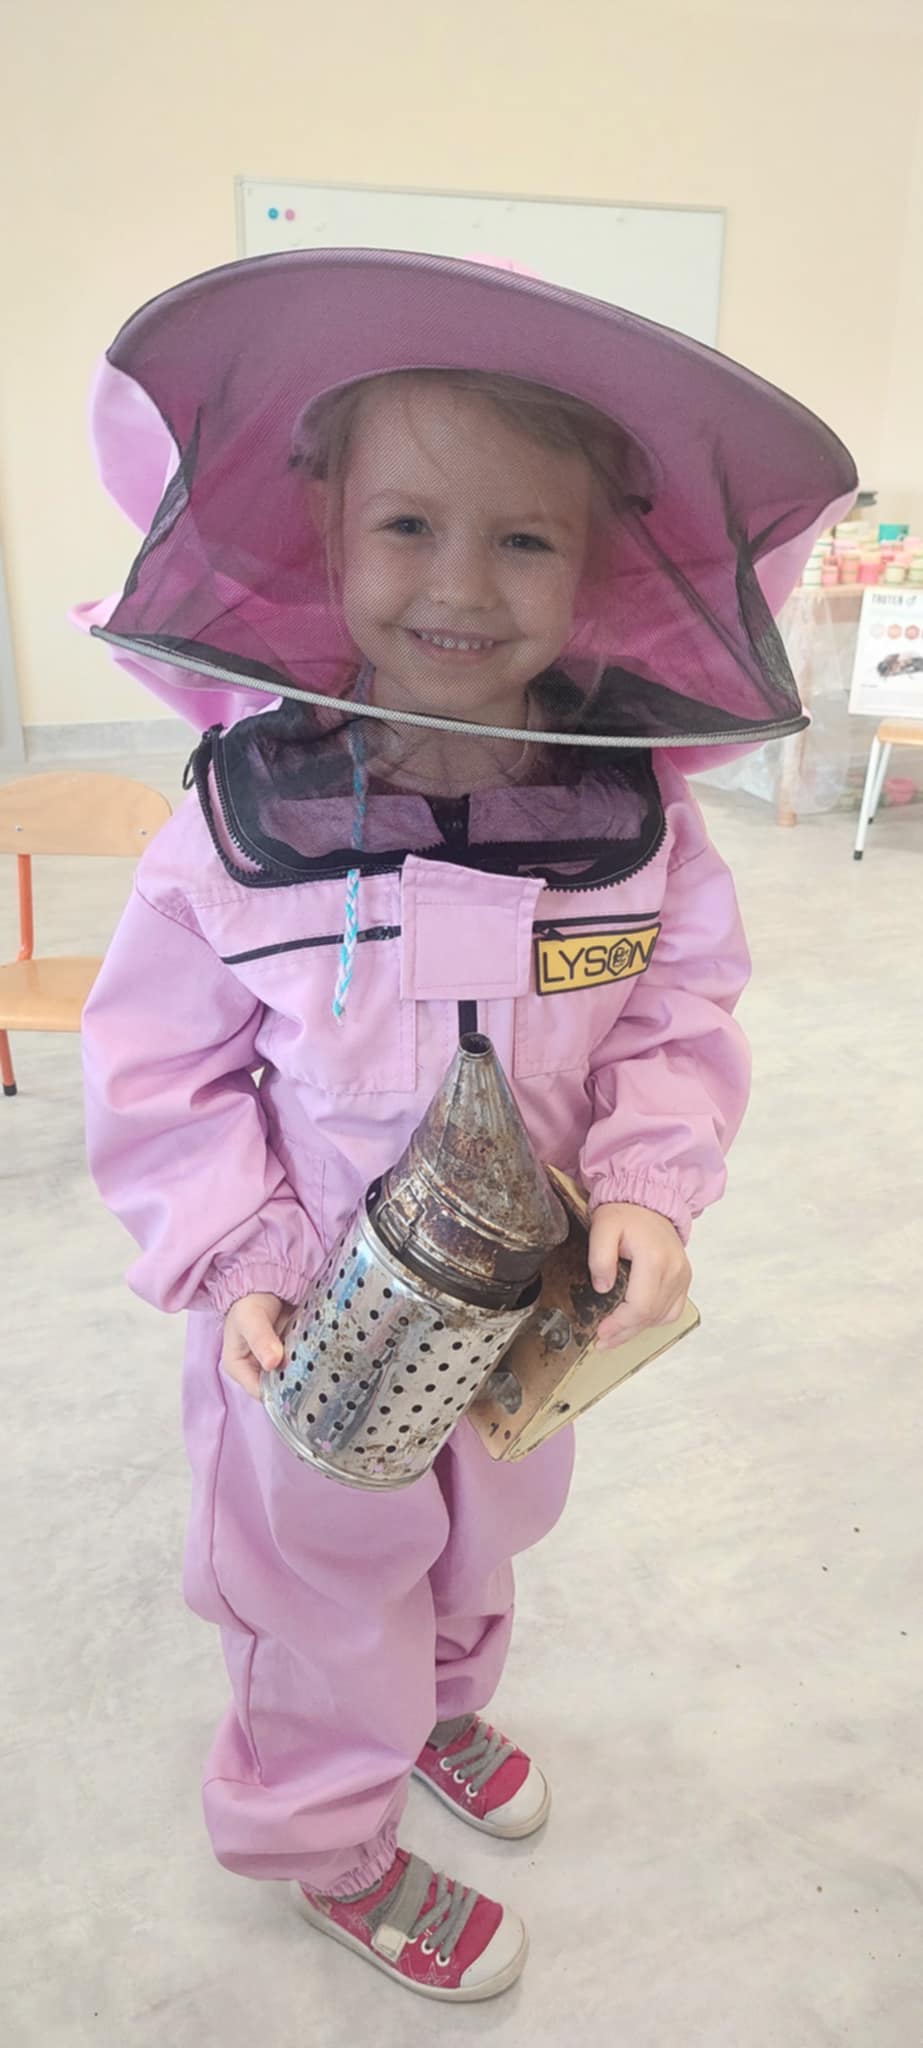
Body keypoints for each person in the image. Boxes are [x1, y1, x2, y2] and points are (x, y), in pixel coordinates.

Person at [80, 250, 855, 2003]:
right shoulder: (242, 821)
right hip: (309, 1315)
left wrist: (650, 1179)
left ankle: (434, 1710)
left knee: (483, 1528)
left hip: (525, 1302)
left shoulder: (629, 814)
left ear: (595, 571)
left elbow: (677, 1011)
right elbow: (157, 1067)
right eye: (409, 526)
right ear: (323, 531)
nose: (459, 582)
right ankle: (325, 1839)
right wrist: (237, 1251)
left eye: (522, 539)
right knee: (319, 1583)